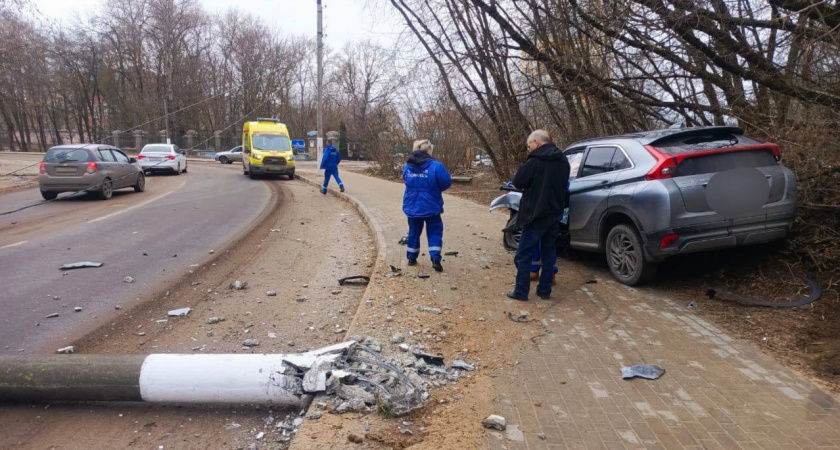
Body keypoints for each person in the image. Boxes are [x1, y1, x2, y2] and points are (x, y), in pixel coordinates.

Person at [507, 130, 570, 301]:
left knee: (523, 254)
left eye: (529, 146)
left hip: (534, 214)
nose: (529, 150)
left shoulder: (534, 161)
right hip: (554, 213)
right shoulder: (563, 160)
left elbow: (518, 181)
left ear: (536, 142)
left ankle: (521, 292)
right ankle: (544, 291)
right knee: (549, 253)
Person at [402, 139, 452, 272]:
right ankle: (435, 259)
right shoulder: (436, 166)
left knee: (414, 232)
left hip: (412, 205)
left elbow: (406, 180)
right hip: (431, 205)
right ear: (428, 150)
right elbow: (446, 182)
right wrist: (434, 189)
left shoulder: (407, 166)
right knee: (435, 231)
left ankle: (411, 258)